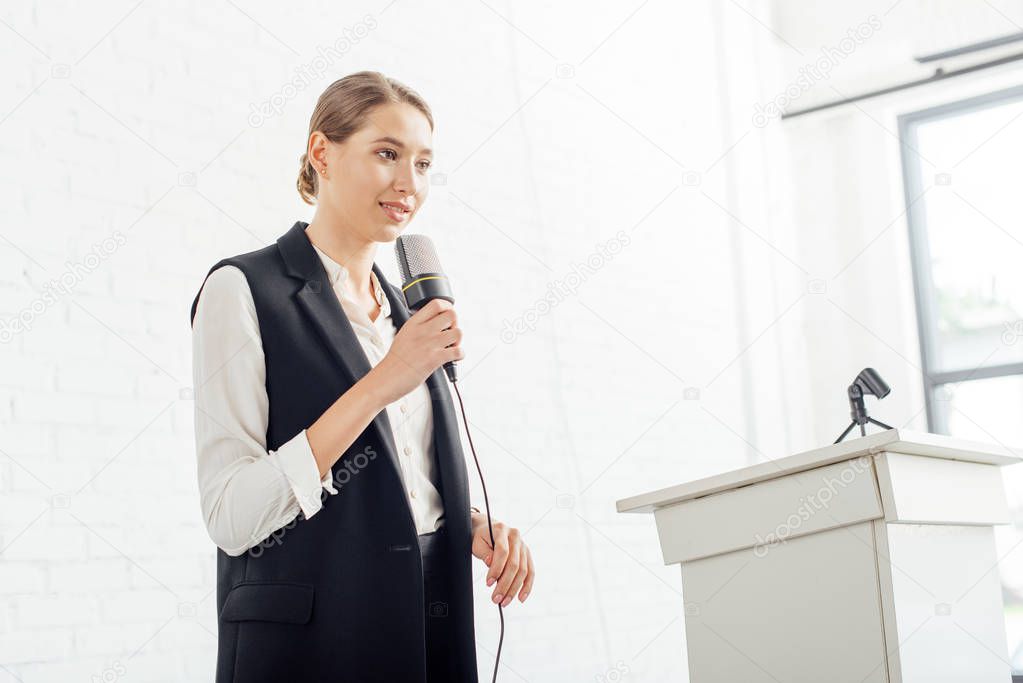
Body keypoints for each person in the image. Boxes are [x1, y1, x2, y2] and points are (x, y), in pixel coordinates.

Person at [190, 70, 535, 682]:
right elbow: (232, 517)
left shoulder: (408, 314)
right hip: (314, 639)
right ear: (321, 153)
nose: (410, 183)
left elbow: (404, 474)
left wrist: (470, 524)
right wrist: (384, 379)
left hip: (431, 617)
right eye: (387, 154)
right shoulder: (243, 289)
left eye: (424, 164)